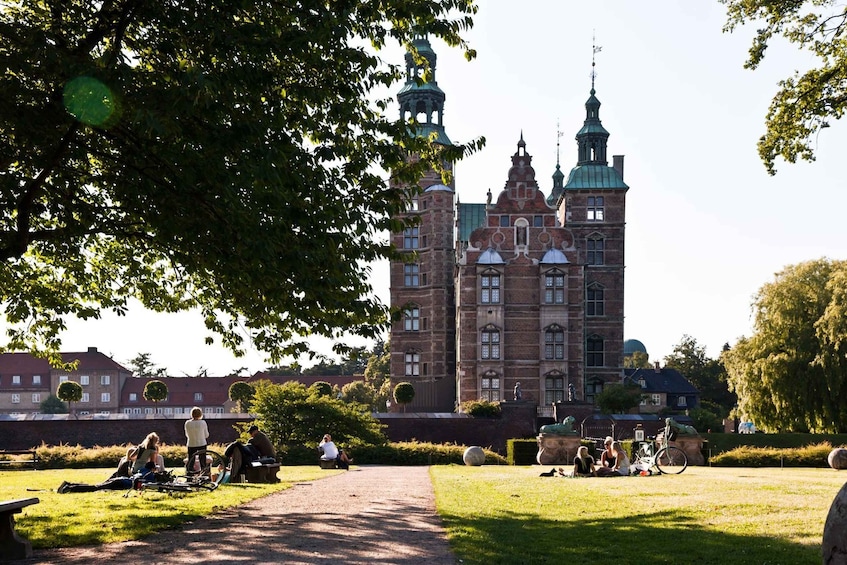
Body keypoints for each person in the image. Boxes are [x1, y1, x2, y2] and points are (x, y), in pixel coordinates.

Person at [58, 461, 157, 493]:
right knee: (95, 488)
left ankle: (69, 484)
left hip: (120, 480)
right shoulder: (149, 474)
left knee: (96, 486)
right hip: (122, 483)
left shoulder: (141, 471)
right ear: (152, 468)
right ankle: (70, 488)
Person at [184, 406, 209, 475]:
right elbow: (206, 435)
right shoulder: (203, 422)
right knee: (202, 461)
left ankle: (189, 475)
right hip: (201, 443)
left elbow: (187, 434)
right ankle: (204, 475)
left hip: (191, 443)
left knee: (191, 460)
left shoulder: (187, 423)